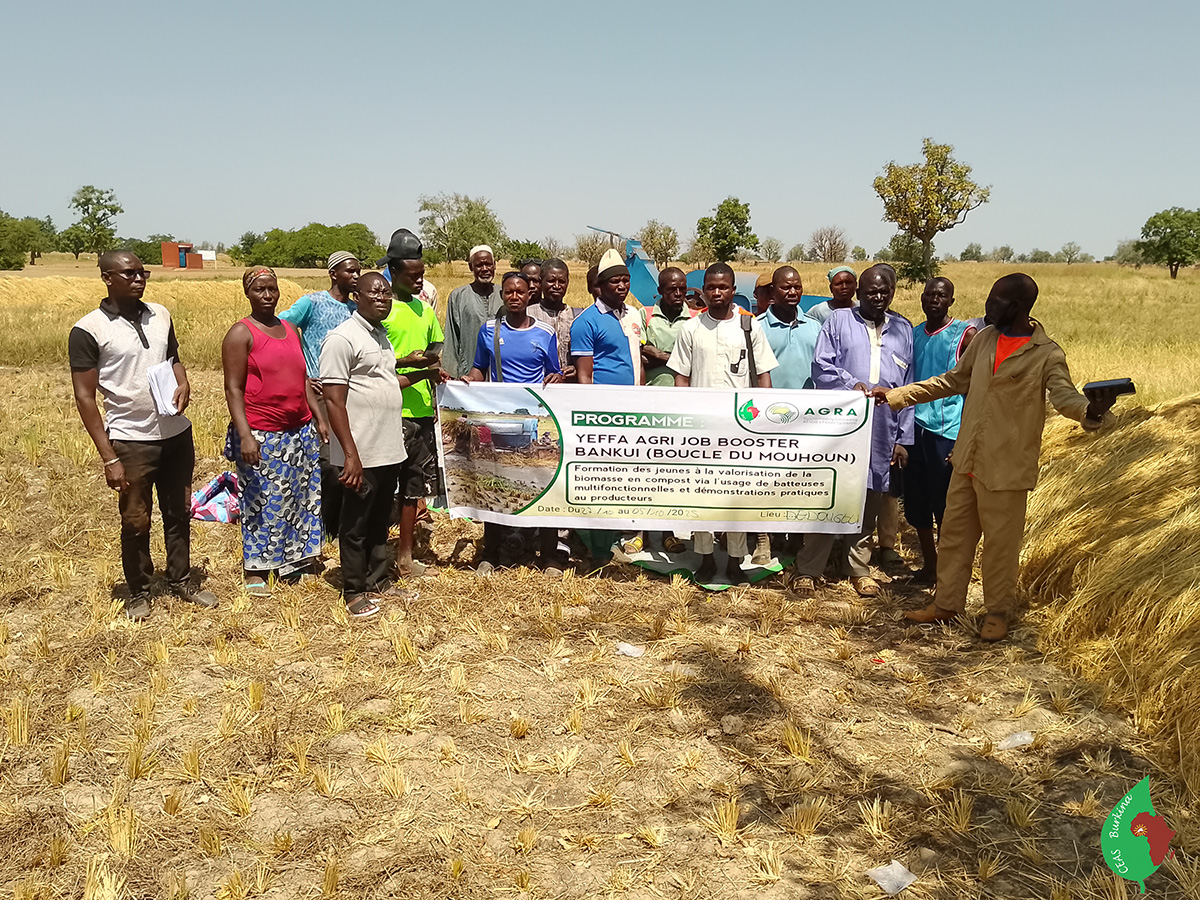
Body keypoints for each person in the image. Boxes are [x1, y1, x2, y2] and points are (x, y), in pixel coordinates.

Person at [872, 273, 1119, 641]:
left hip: (1006, 468)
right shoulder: (986, 339)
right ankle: (946, 604)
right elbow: (954, 380)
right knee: (954, 537)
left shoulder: (1046, 353)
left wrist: (1093, 412)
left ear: (1017, 307)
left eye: (995, 301)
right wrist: (898, 395)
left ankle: (997, 612)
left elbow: (1065, 397)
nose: (987, 307)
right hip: (966, 459)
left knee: (1000, 547)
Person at [69, 251, 217, 620]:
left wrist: (183, 381)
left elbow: (173, 358)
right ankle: (139, 589)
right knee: (136, 520)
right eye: (130, 273)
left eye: (142, 272)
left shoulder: (160, 315)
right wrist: (109, 457)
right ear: (107, 277)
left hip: (176, 433)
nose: (139, 279)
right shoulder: (88, 330)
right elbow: (84, 398)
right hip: (131, 439)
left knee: (179, 510)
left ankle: (181, 578)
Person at [320, 272, 442, 618]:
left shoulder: (380, 336)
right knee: (355, 523)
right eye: (375, 293)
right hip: (360, 450)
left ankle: (377, 579)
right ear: (355, 296)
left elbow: (388, 381)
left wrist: (423, 374)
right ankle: (354, 589)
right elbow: (333, 400)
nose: (383, 298)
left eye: (387, 293)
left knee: (376, 521)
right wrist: (350, 455)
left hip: (387, 447)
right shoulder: (342, 339)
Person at [790, 264, 913, 598]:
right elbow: (822, 366)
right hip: (841, 429)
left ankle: (858, 567)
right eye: (870, 291)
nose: (877, 296)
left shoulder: (903, 329)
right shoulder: (839, 321)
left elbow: (909, 386)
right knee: (829, 492)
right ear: (859, 293)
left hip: (883, 429)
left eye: (883, 291)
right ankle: (809, 568)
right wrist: (851, 384)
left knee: (870, 498)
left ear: (892, 293)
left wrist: (904, 438)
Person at [668, 263, 778, 584]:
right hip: (702, 427)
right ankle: (704, 558)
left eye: (723, 287)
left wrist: (767, 417)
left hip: (740, 428)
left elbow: (764, 375)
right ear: (703, 291)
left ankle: (734, 560)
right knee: (703, 493)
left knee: (736, 495)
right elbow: (681, 377)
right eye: (711, 287)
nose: (717, 293)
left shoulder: (749, 326)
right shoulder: (691, 329)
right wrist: (685, 421)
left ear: (733, 291)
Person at [222, 267, 327, 595]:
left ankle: (295, 561)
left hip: (299, 429)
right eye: (260, 290)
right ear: (248, 294)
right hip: (263, 432)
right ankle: (257, 567)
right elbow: (233, 389)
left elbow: (303, 380)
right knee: (261, 500)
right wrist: (246, 435)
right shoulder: (241, 334)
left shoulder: (290, 329)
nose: (268, 295)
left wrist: (319, 417)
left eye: (272, 289)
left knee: (301, 497)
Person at [466, 271, 565, 573]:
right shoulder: (489, 330)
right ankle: (491, 554)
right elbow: (479, 368)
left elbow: (554, 372)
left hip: (534, 420)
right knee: (495, 483)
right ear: (502, 295)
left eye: (520, 292)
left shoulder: (545, 333)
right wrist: (467, 382)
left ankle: (548, 555)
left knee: (542, 484)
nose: (514, 296)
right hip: (500, 418)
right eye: (509, 292)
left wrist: (558, 378)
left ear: (529, 294)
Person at [379, 231, 448, 578]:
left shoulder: (424, 308)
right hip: (386, 410)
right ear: (393, 272)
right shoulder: (383, 308)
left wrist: (435, 369)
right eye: (412, 274)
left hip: (420, 410)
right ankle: (376, 556)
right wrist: (411, 365)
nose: (419, 279)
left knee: (412, 486)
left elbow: (435, 350)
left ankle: (405, 558)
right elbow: (372, 365)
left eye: (422, 273)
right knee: (379, 487)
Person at [278, 250, 360, 537]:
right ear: (333, 273)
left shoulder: (356, 310)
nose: (355, 276)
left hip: (352, 394)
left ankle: (341, 525)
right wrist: (301, 371)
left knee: (350, 459)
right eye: (349, 271)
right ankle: (324, 526)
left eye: (358, 271)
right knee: (328, 463)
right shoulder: (312, 303)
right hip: (322, 395)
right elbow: (279, 328)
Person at [570, 249, 642, 562]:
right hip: (605, 414)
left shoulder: (633, 316)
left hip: (635, 408)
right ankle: (598, 546)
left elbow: (637, 360)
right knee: (602, 478)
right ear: (600, 285)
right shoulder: (586, 322)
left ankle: (619, 535)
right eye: (615, 281)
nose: (622, 286)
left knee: (627, 476)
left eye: (625, 280)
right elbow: (584, 377)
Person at [904, 277, 976, 582]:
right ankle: (930, 565)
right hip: (914, 429)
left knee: (945, 506)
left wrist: (966, 439)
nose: (934, 300)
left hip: (948, 432)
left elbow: (975, 388)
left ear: (951, 301)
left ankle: (950, 572)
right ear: (921, 299)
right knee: (917, 504)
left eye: (941, 295)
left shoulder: (965, 335)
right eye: (929, 295)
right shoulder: (914, 334)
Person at [443, 246, 502, 378]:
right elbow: (452, 339)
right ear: (471, 267)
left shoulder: (505, 294)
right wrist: (450, 375)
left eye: (488, 264)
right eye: (479, 265)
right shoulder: (458, 296)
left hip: (501, 376)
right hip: (468, 374)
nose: (485, 269)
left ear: (495, 265)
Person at [758, 266, 821, 390]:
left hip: (808, 406)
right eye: (786, 288)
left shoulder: (815, 326)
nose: (792, 292)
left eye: (797, 288)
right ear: (772, 291)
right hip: (770, 405)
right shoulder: (757, 327)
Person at [641, 267, 696, 387]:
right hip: (652, 392)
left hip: (684, 394)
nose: (678, 294)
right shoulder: (645, 315)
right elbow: (639, 357)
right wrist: (678, 359)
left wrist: (657, 354)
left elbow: (696, 360)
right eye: (672, 289)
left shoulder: (695, 319)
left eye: (682, 289)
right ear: (660, 290)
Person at [527, 257, 576, 378]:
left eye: (562, 281)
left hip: (568, 386)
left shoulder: (577, 316)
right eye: (551, 281)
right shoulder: (527, 315)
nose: (557, 286)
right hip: (538, 385)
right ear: (540, 282)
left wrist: (576, 367)